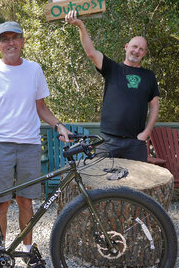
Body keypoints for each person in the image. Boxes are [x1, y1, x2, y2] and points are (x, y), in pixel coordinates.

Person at [0, 21, 71, 268]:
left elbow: (41, 107)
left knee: (26, 201)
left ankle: (28, 250)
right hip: (0, 145)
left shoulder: (34, 70)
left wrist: (59, 125)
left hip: (30, 145)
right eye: (5, 39)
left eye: (15, 37)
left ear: (23, 41)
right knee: (0, 204)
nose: (11, 42)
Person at [65, 10, 159, 162]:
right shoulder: (113, 68)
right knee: (102, 181)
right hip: (108, 141)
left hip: (135, 143)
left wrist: (146, 133)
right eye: (134, 47)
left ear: (144, 53)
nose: (136, 51)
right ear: (126, 47)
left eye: (141, 49)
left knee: (136, 185)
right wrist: (81, 26)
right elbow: (91, 52)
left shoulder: (149, 76)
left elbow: (154, 106)